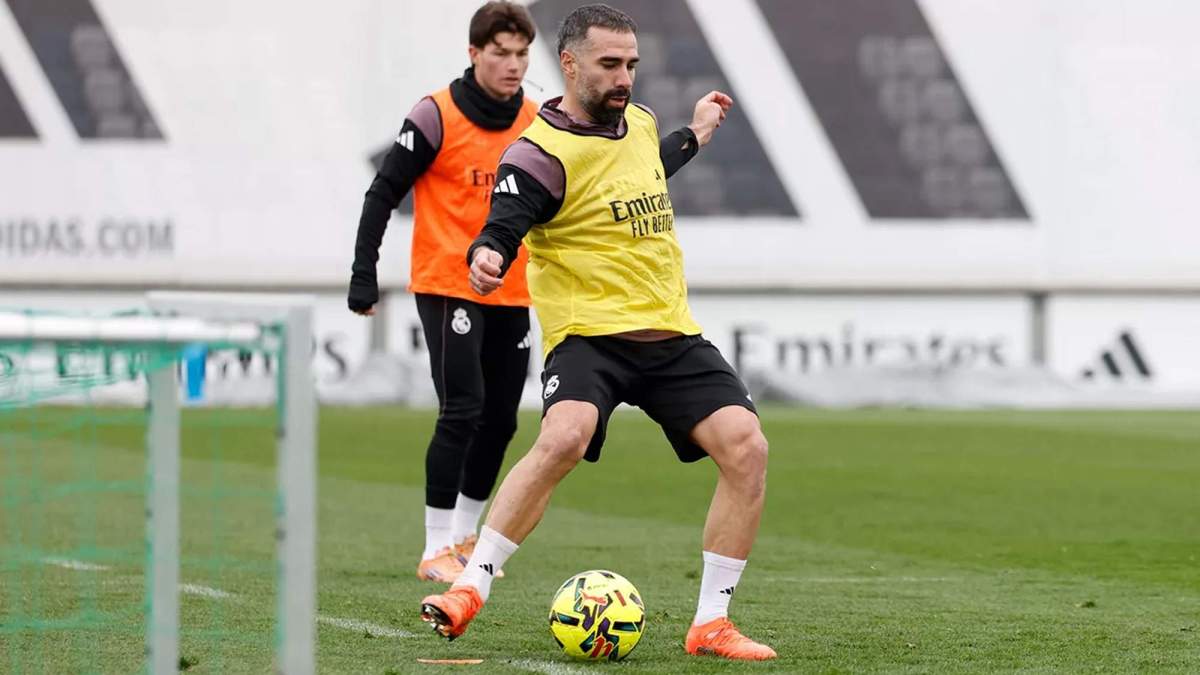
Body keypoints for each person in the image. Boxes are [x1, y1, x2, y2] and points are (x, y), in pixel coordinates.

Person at [419, 3, 776, 661]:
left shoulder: (636, 122)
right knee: (564, 435)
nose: (625, 78)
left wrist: (695, 132)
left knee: (747, 446)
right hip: (590, 336)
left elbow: (645, 172)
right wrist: (489, 255)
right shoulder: (537, 153)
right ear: (571, 64)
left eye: (632, 65)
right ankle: (469, 586)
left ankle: (711, 623)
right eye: (611, 64)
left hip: (669, 330)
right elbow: (506, 219)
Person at [347, 1, 538, 583]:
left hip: (514, 287)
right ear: (474, 53)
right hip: (447, 283)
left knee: (502, 419)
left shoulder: (536, 119)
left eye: (522, 54)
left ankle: (464, 537)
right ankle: (434, 547)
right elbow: (382, 193)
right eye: (500, 53)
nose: (512, 65)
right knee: (462, 408)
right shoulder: (436, 115)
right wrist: (364, 272)